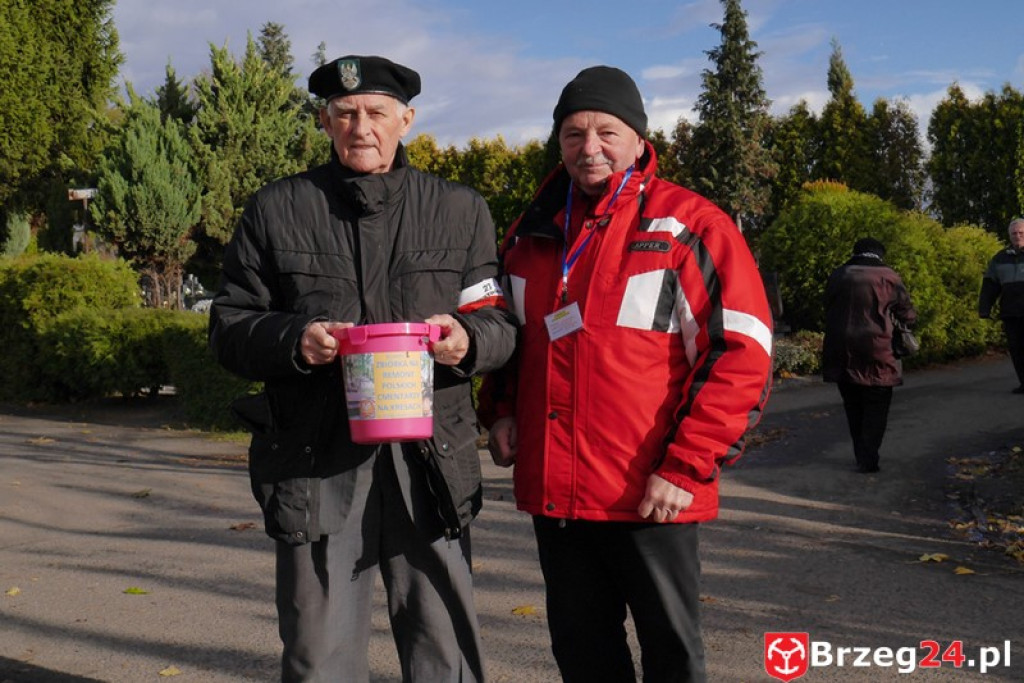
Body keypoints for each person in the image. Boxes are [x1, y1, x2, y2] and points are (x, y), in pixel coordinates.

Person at [208, 55, 517, 682]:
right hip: (315, 460)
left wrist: (469, 340)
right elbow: (230, 326)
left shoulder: (460, 209)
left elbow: (501, 323)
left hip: (431, 463)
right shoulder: (275, 209)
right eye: (344, 113)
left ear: (406, 119)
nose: (361, 126)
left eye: (376, 112)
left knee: (443, 650)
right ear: (325, 121)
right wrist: (297, 340)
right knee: (318, 655)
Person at [478, 66, 774, 683]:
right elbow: (511, 337)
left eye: (606, 132)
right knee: (583, 655)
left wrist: (685, 467)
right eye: (573, 134)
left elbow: (741, 356)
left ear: (639, 139)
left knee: (671, 654)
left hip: (650, 493)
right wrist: (500, 407)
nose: (589, 148)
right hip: (558, 496)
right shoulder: (532, 233)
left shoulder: (689, 226)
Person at [822, 237, 917, 474]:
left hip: (842, 349)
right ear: (879, 254)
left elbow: (826, 305)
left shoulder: (838, 275)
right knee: (877, 405)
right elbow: (907, 313)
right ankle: (869, 457)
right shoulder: (889, 276)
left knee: (852, 405)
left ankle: (860, 454)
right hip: (879, 349)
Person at [978, 217, 1024, 393]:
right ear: (1009, 236)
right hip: (1011, 313)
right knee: (1017, 350)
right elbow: (990, 285)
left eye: (1021, 233)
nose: (1017, 236)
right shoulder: (999, 258)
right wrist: (984, 308)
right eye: (1014, 233)